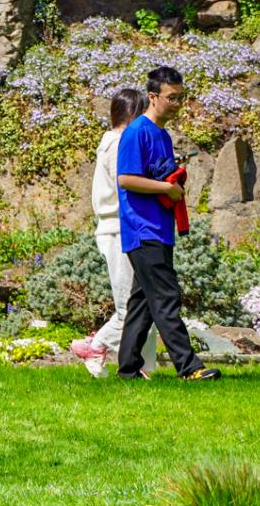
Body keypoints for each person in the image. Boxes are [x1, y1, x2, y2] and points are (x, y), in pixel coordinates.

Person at [114, 65, 220, 381]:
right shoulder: (137, 132)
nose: (176, 104)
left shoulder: (162, 134)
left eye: (180, 98)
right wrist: (166, 188)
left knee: (143, 304)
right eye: (171, 98)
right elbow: (126, 179)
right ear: (152, 96)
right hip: (141, 228)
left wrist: (172, 182)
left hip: (160, 229)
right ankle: (189, 368)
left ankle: (128, 370)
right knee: (165, 298)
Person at [71, 88, 158, 378]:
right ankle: (96, 346)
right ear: (134, 114)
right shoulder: (119, 142)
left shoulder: (115, 141)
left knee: (145, 300)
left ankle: (141, 367)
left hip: (123, 226)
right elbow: (127, 183)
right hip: (119, 227)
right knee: (131, 306)